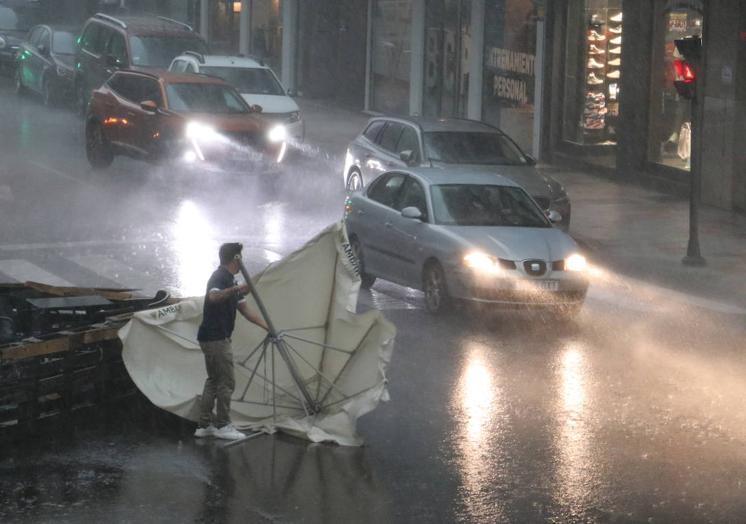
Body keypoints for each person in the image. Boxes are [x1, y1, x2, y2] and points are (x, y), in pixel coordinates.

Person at [194, 242, 268, 440]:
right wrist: (236, 290)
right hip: (216, 338)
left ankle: (204, 425)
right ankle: (223, 425)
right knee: (226, 382)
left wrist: (267, 326)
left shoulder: (231, 281)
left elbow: (244, 310)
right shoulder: (220, 277)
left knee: (214, 380)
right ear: (236, 258)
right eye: (240, 257)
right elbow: (214, 297)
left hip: (210, 337)